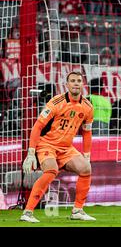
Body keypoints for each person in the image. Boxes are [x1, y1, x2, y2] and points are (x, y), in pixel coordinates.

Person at [20, 72, 95, 223]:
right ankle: (27, 213)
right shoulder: (56, 102)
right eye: (72, 81)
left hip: (66, 148)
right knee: (51, 170)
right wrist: (31, 153)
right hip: (47, 144)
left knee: (86, 169)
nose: (75, 83)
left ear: (82, 84)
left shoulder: (87, 107)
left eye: (79, 81)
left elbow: (87, 132)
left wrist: (86, 155)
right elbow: (37, 127)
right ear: (66, 85)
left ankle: (78, 211)